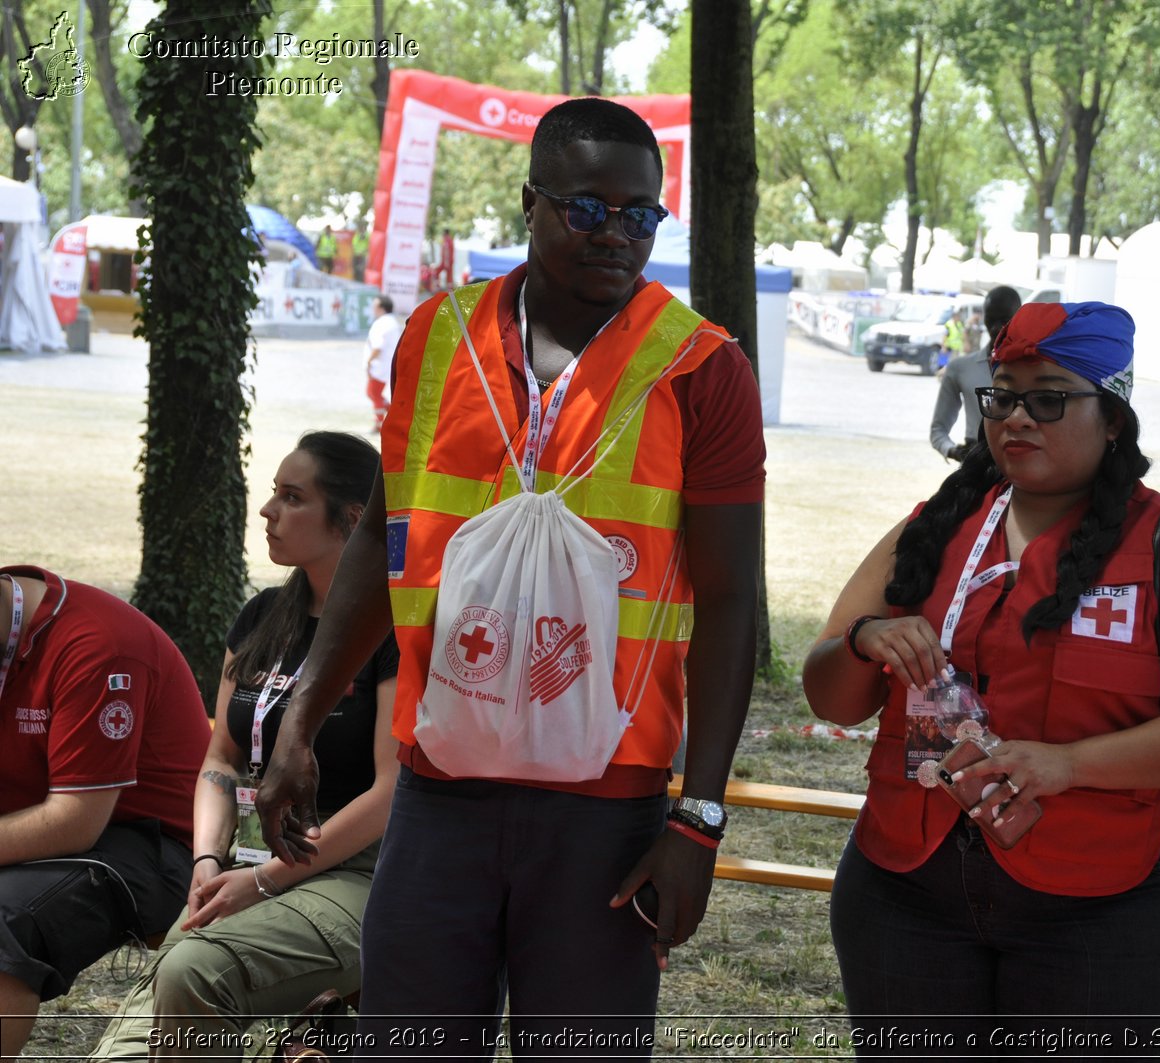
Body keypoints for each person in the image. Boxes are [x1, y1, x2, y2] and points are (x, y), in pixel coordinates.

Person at [254, 97, 764, 1058]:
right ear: (529, 202)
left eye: (640, 214)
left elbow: (734, 601)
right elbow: (380, 542)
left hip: (607, 805)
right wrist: (302, 716)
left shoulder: (703, 367)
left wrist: (697, 819)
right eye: (585, 208)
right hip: (442, 790)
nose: (615, 234)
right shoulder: (436, 339)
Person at [805, 301, 1160, 1058]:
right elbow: (830, 694)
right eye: (1003, 394)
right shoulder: (933, 528)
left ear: (1113, 416)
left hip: (1110, 906)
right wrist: (862, 641)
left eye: (1049, 397)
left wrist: (1069, 764)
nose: (1017, 417)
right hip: (905, 888)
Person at [87, 432, 398, 1062]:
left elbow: (391, 793)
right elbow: (222, 761)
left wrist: (264, 882)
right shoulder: (262, 617)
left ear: (353, 520)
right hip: (249, 865)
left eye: (292, 497)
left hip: (359, 875)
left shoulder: (391, 628)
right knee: (129, 1045)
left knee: (191, 972)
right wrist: (207, 861)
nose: (267, 511)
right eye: (273, 494)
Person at [0, 566, 210, 1059]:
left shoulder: (99, 644)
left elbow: (75, 821)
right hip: (47, 820)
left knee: (3, 917)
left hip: (156, 844)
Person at [929, 286, 1021, 462]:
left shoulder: (1034, 369)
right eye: (990, 320)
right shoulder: (960, 368)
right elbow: (938, 429)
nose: (995, 329)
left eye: (1004, 321)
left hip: (1018, 460)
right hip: (976, 461)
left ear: (1018, 319)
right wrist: (954, 452)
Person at [364, 295, 401, 432]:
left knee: (373, 392)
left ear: (381, 308)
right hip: (386, 362)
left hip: (379, 363)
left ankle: (380, 423)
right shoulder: (392, 322)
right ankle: (394, 414)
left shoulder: (382, 323)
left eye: (375, 306)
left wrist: (369, 361)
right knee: (374, 393)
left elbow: (378, 346)